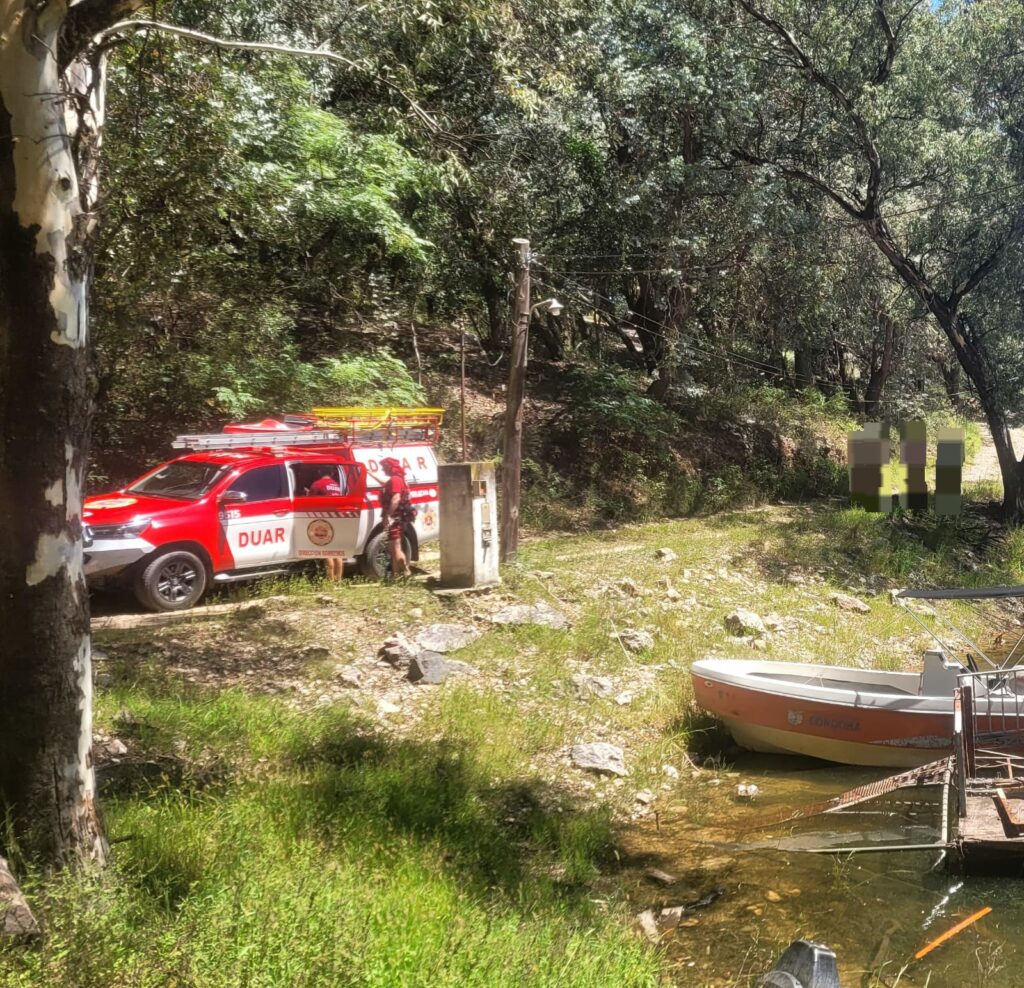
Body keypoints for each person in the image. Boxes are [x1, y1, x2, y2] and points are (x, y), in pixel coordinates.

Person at [380, 457, 413, 578]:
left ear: (390, 467)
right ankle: (396, 576)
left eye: (384, 467)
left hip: (395, 518)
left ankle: (405, 571)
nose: (383, 470)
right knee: (393, 549)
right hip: (397, 518)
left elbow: (396, 498)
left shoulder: (395, 480)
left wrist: (388, 516)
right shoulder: (398, 479)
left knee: (395, 547)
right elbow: (384, 484)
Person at [308, 468, 344, 580]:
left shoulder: (317, 484)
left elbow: (310, 501)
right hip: (336, 519)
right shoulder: (336, 485)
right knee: (337, 552)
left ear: (319, 472)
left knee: (327, 551)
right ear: (332, 473)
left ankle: (330, 581)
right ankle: (338, 581)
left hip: (323, 520)